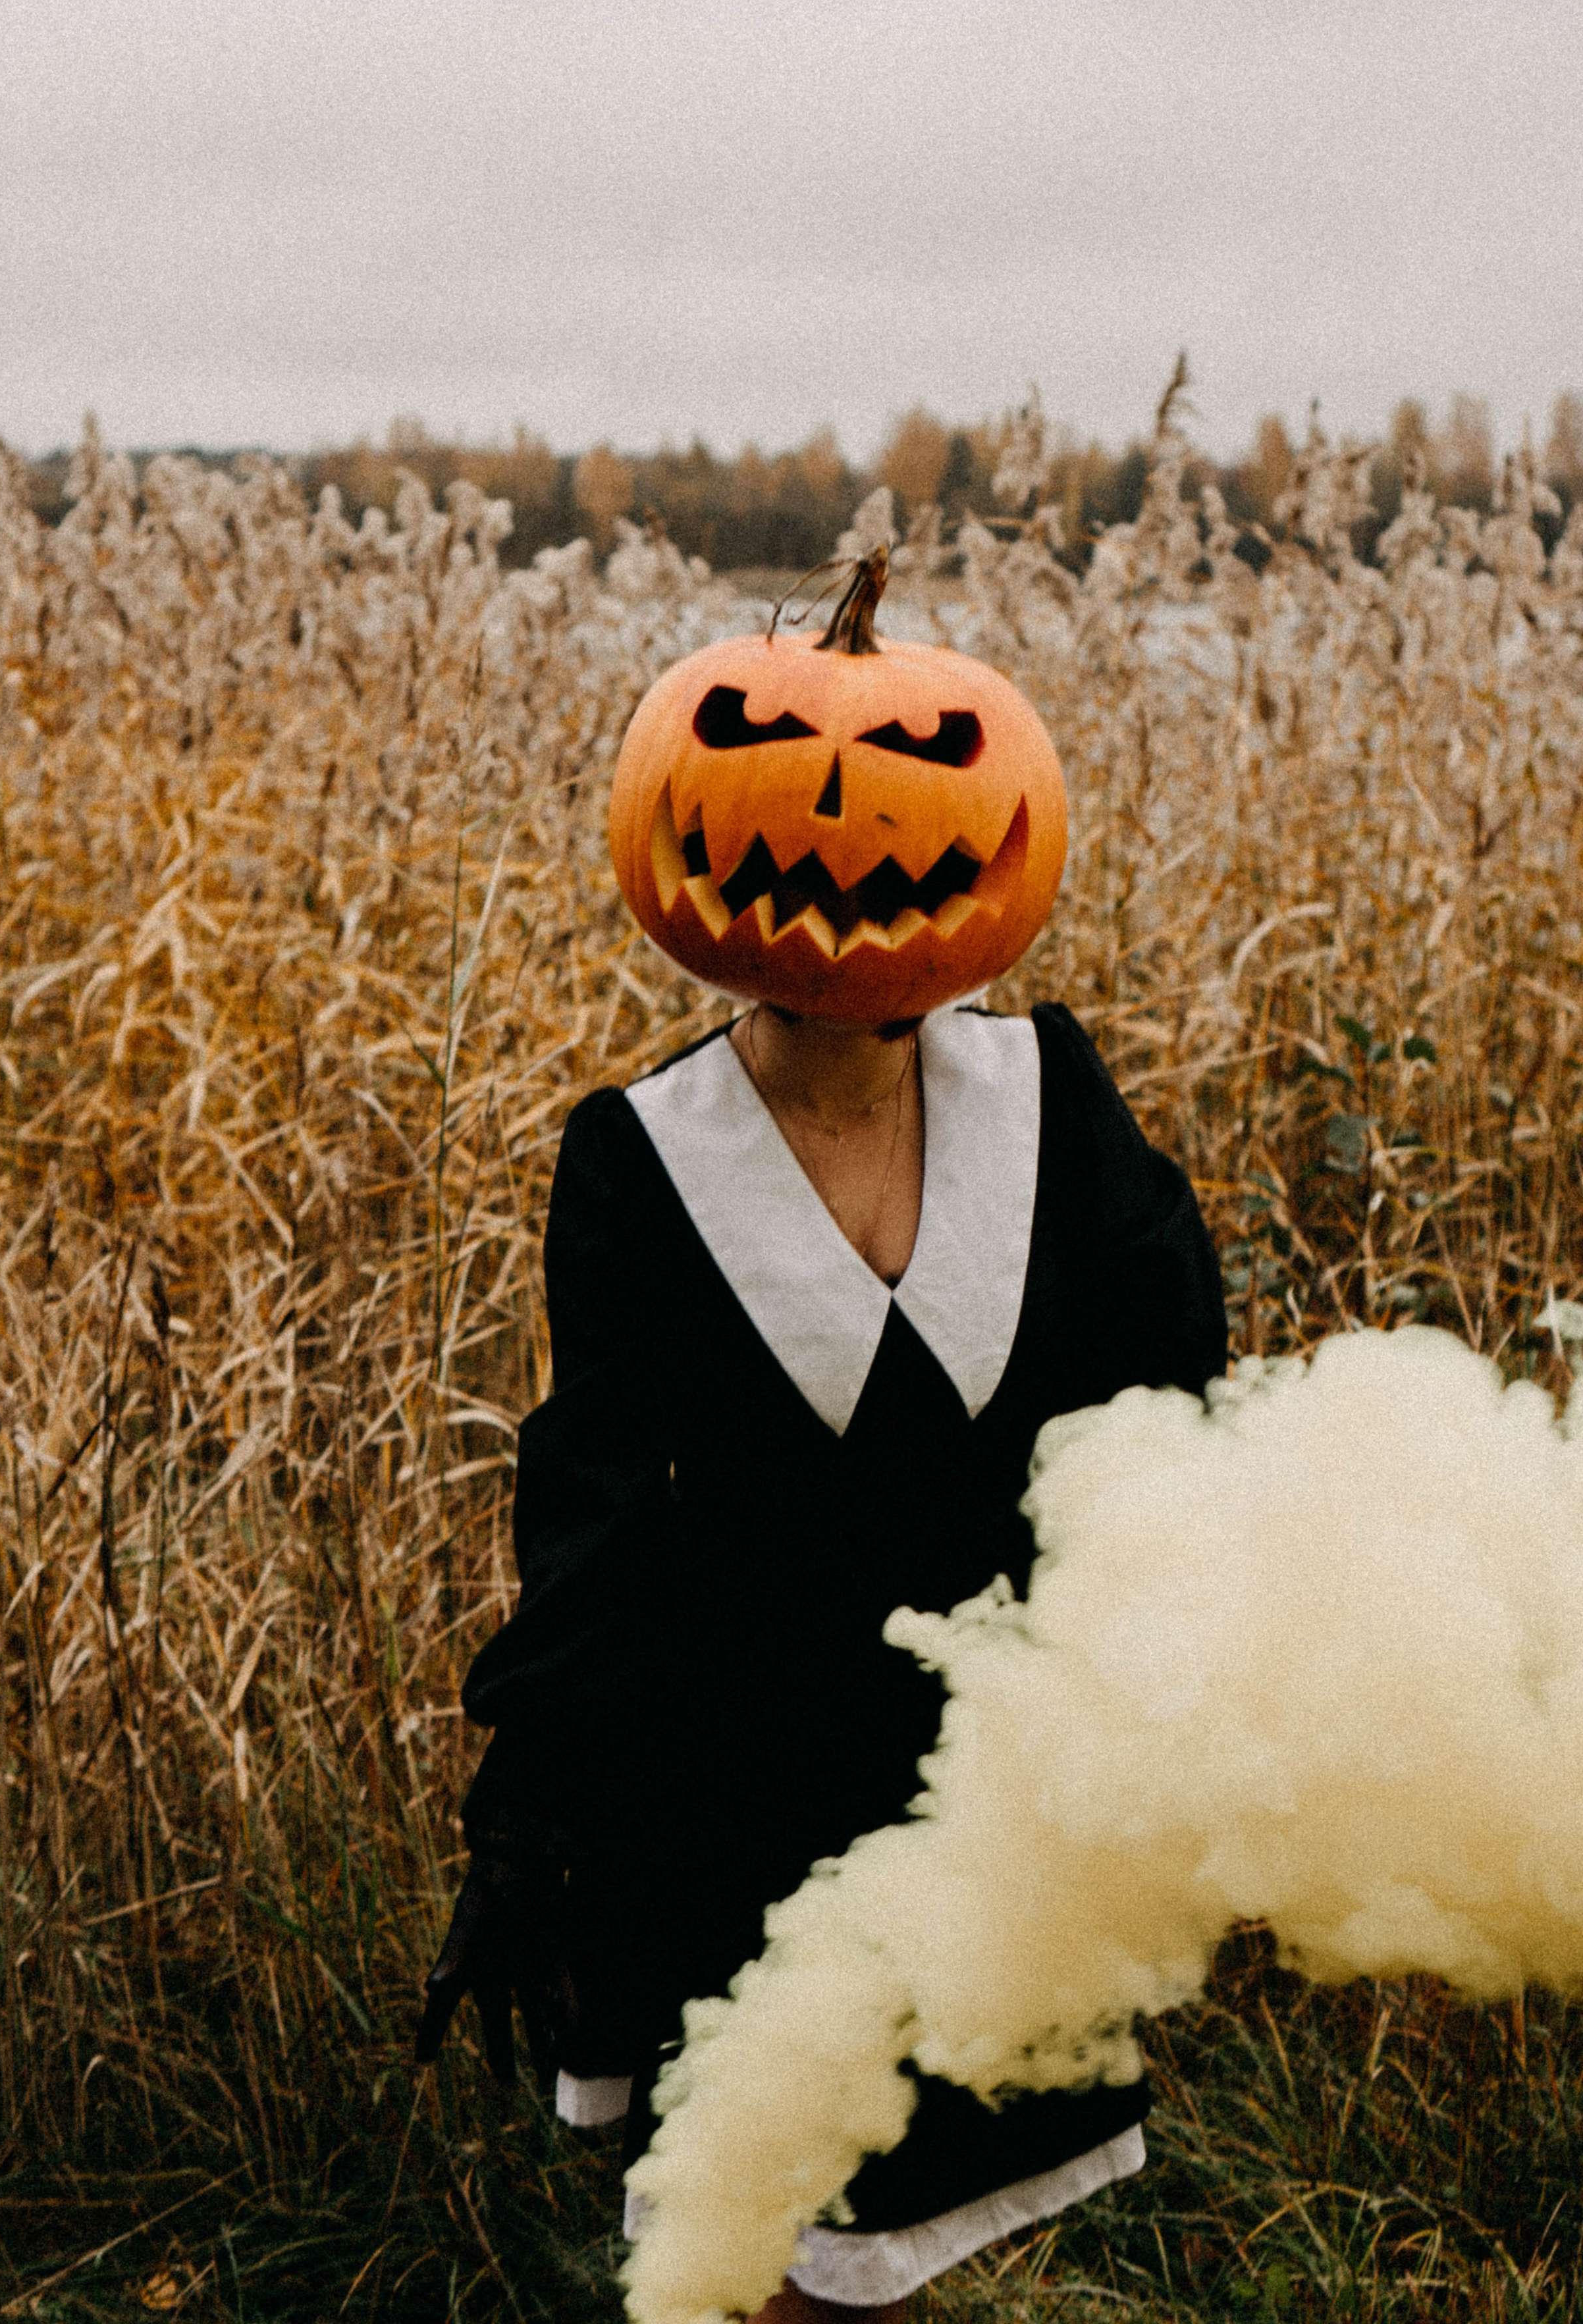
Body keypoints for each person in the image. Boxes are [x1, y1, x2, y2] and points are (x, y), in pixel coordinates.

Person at [415, 590, 1226, 2323]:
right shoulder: (639, 1159)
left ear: (992, 825)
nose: (847, 827)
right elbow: (599, 1506)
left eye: (921, 770)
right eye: (772, 772)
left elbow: (1164, 1409)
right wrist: (537, 1812)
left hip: (969, 1793)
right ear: (681, 831)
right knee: (757, 2257)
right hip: (729, 1802)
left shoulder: (1047, 1107)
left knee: (880, 2262)